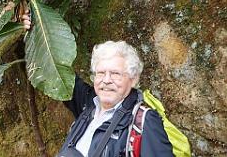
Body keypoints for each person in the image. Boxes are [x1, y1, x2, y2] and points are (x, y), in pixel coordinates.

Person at [22, 13, 174, 157]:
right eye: (101, 73)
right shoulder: (88, 105)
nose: (106, 80)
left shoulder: (144, 122)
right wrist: (36, 27)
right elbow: (54, 70)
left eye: (115, 73)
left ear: (133, 79)